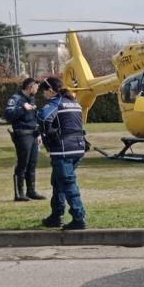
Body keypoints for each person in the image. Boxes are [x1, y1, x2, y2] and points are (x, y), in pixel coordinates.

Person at [37, 77, 88, 230]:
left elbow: (43, 117)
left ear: (50, 90)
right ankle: (56, 215)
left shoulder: (56, 102)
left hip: (64, 149)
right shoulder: (73, 102)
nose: (44, 95)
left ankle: (79, 218)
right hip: (78, 147)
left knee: (67, 183)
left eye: (44, 92)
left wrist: (48, 134)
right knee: (58, 182)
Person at [5, 78, 46, 201]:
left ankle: (31, 191)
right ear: (30, 86)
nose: (37, 90)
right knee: (23, 163)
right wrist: (23, 108)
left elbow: (34, 118)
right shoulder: (16, 99)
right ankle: (19, 194)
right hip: (22, 134)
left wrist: (38, 134)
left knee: (32, 164)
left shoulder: (31, 99)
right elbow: (8, 116)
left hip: (33, 134)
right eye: (36, 87)